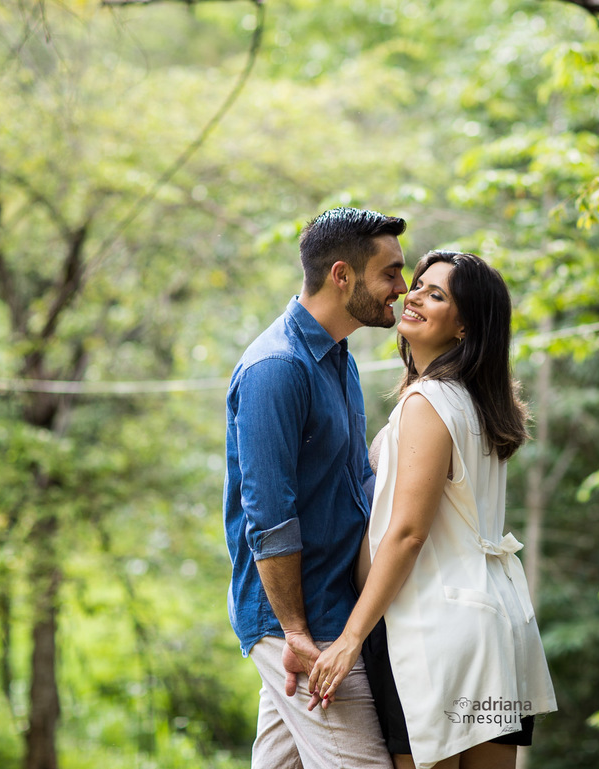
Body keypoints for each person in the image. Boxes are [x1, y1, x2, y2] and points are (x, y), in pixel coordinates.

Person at [304, 251, 557, 769]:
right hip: (496, 629)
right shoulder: (477, 403)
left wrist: (351, 638)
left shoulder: (429, 401)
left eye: (436, 294)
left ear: (465, 326)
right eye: (417, 285)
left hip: (434, 632)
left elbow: (407, 533)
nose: (413, 295)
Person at [223, 207, 408, 769]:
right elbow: (270, 518)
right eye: (391, 273)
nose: (402, 288)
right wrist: (297, 632)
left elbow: (353, 483)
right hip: (307, 624)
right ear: (342, 275)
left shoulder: (336, 358)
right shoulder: (276, 368)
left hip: (331, 607)